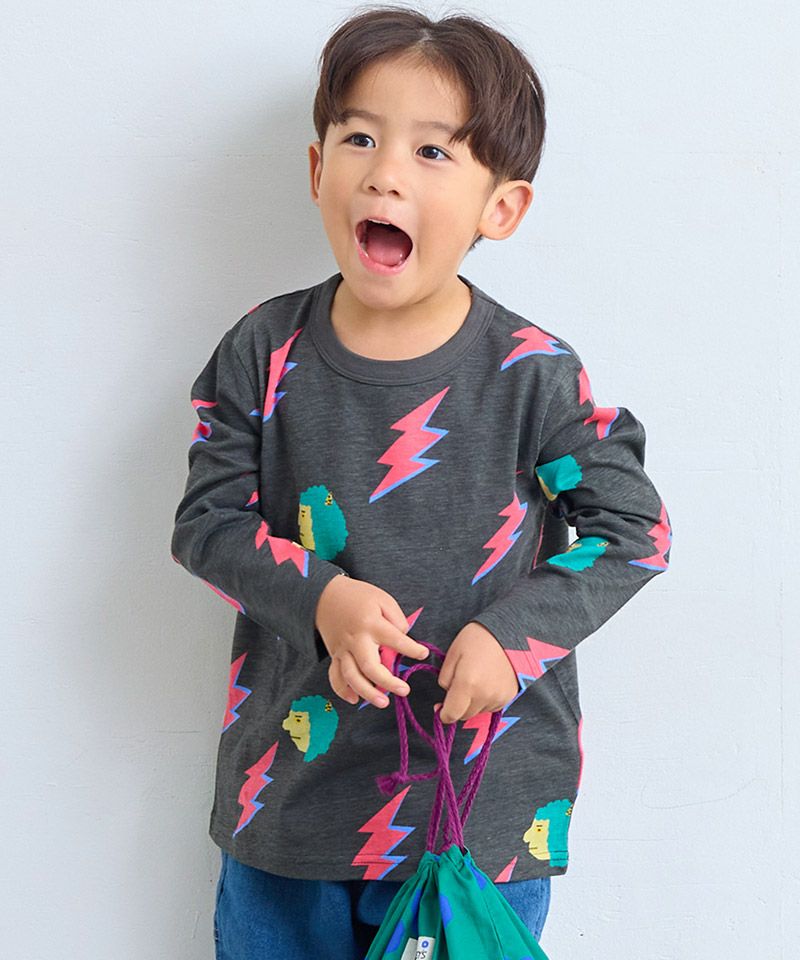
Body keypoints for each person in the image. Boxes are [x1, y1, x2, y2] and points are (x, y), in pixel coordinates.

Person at [170, 6, 673, 959]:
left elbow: (633, 532)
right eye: (360, 138)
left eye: (433, 151)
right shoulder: (261, 350)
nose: (386, 173)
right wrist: (321, 599)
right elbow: (207, 524)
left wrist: (511, 638)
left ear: (501, 208)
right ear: (318, 169)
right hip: (290, 805)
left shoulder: (534, 374)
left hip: (479, 818)